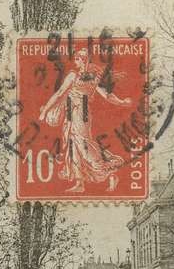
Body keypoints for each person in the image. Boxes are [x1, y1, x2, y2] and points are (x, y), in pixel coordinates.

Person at [37, 47, 134, 194]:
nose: (75, 62)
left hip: (81, 112)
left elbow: (60, 94)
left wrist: (45, 111)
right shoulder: (87, 77)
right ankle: (79, 182)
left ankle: (109, 171)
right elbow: (60, 94)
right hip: (72, 112)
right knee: (72, 144)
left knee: (83, 144)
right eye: (76, 59)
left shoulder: (79, 76)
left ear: (83, 60)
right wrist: (122, 102)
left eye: (77, 59)